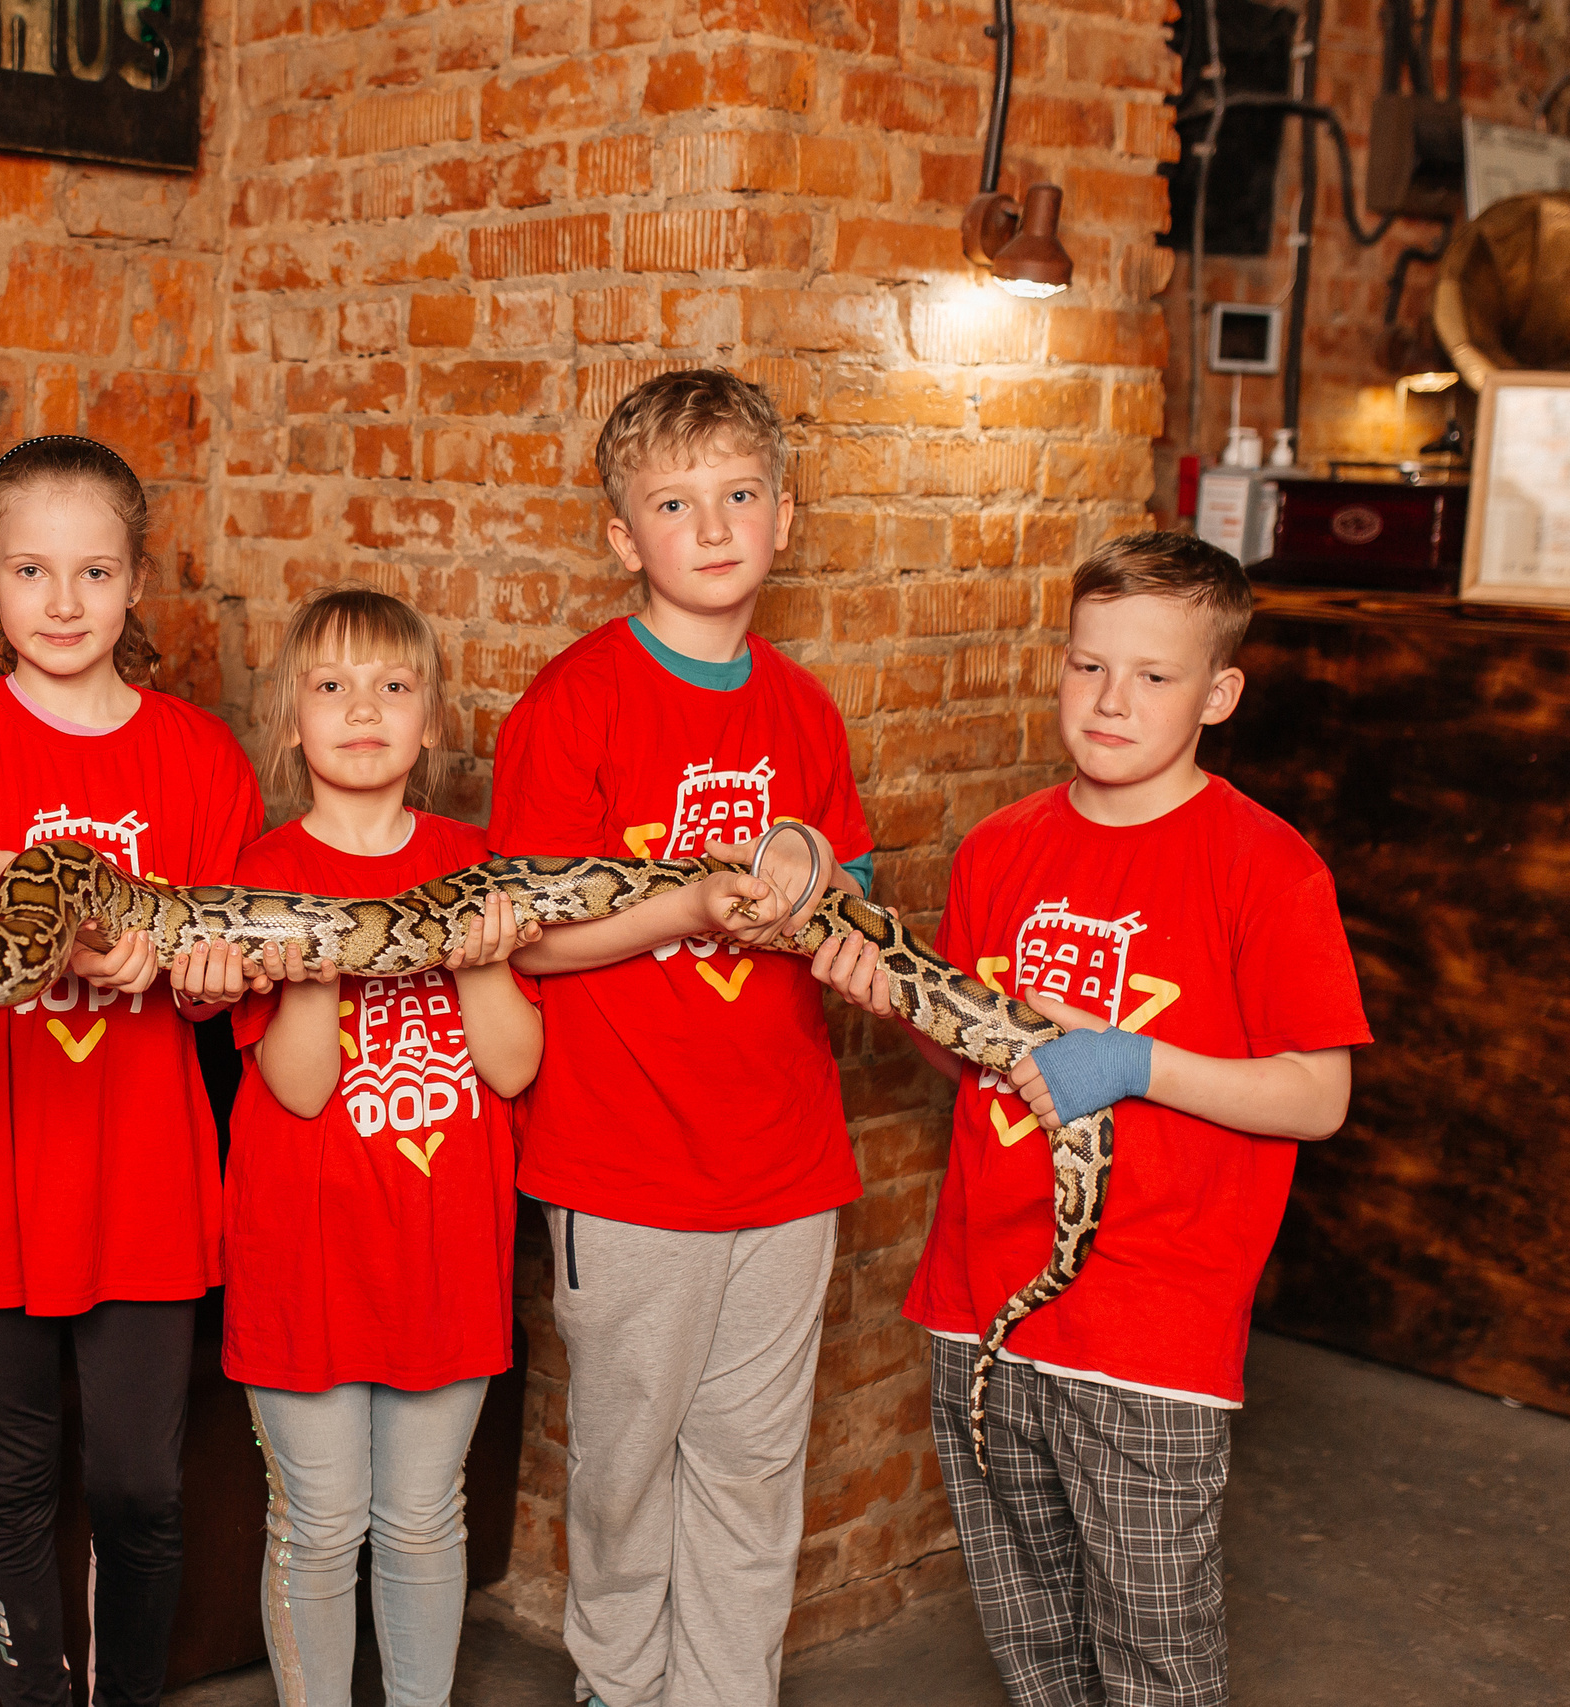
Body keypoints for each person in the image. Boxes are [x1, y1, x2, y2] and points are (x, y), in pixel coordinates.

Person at [813, 532, 1369, 1707]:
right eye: (1086, 666)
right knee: (1036, 1653)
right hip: (982, 1305)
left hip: (1152, 1330)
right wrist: (896, 996)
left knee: (1155, 1664)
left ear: (1218, 695)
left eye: (1153, 677)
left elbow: (1317, 1095)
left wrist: (1137, 1061)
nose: (1110, 700)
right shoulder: (1001, 848)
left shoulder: (1266, 869)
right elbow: (978, 1054)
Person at [489, 367, 874, 1707]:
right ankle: (617, 1680)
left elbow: (854, 904)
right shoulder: (574, 702)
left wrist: (815, 867)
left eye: (738, 495)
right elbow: (530, 932)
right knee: (624, 1464)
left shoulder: (805, 707)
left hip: (785, 1156)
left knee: (754, 1466)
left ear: (783, 514)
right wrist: (695, 897)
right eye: (673, 501)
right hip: (626, 1157)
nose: (711, 526)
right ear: (621, 535)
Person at [0, 434, 268, 1707]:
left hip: (145, 1178)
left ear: (134, 581)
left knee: (139, 1485)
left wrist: (174, 961)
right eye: (33, 571)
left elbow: (233, 959)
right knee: (2, 1485)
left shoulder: (200, 757)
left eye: (94, 571)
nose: (64, 604)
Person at [226, 584, 542, 1707]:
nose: (364, 710)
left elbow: (510, 1069)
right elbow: (301, 1087)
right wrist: (317, 958)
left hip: (445, 1249)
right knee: (318, 1526)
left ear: (430, 719)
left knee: (420, 1518)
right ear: (290, 722)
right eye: (332, 687)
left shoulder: (477, 859)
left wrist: (480, 950)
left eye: (393, 687)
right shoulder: (263, 875)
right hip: (305, 1256)